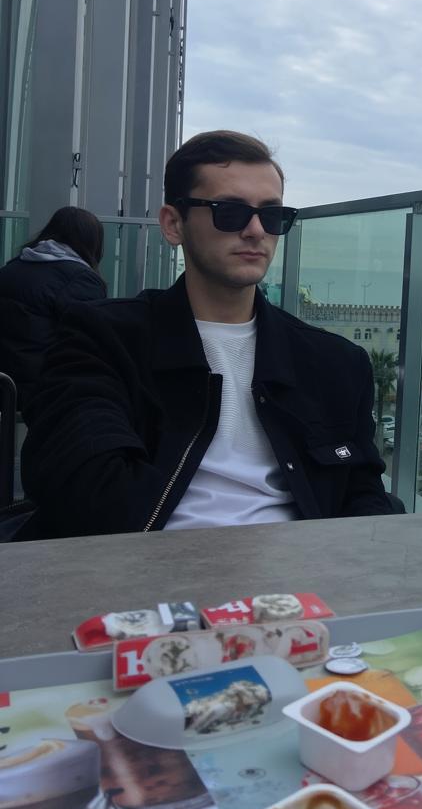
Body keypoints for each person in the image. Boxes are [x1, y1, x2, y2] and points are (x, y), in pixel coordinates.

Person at [15, 131, 401, 540]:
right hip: (144, 575)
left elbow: (363, 495)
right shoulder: (103, 340)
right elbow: (81, 490)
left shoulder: (335, 363)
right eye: (229, 211)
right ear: (173, 224)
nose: (255, 231)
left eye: (271, 215)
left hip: (300, 582)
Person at [0, 207, 106, 413]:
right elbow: (90, 343)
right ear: (92, 243)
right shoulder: (82, 279)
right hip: (44, 393)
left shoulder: (11, 269)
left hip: (6, 385)